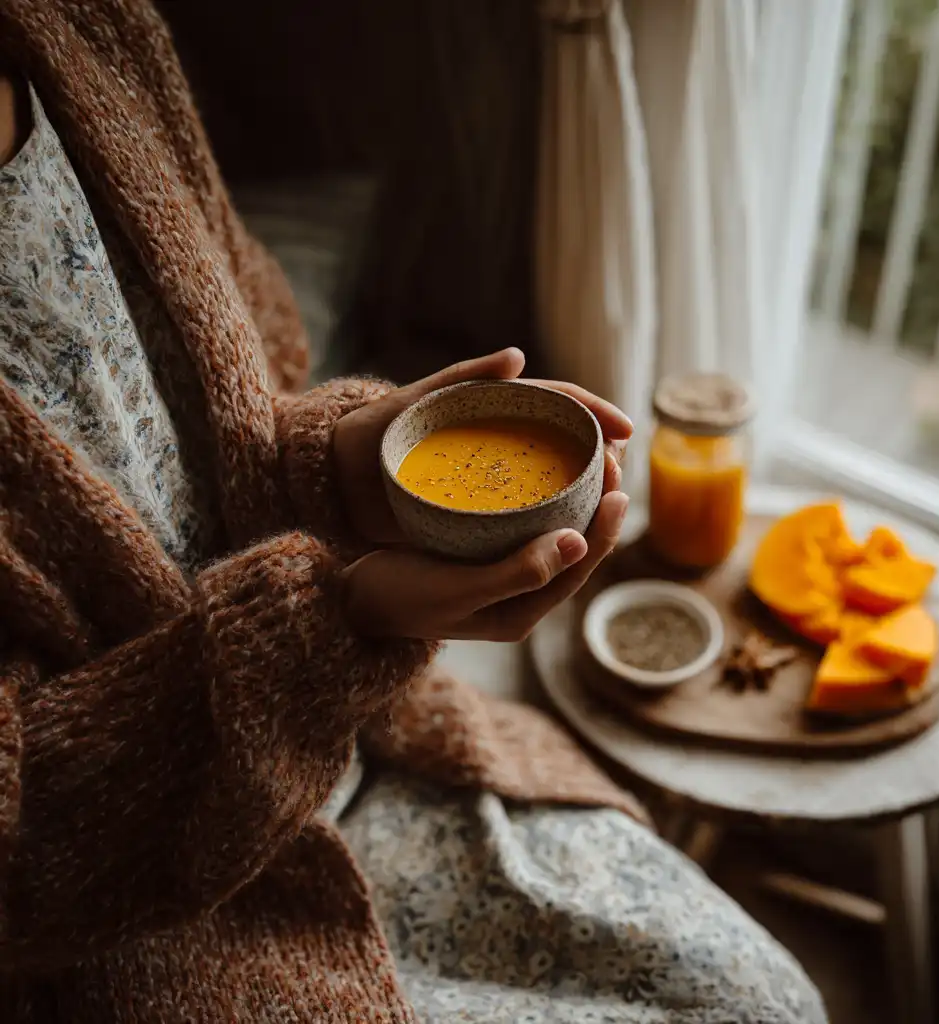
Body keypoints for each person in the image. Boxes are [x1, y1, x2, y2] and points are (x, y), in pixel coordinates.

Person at [0, 2, 826, 1021]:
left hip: (370, 742)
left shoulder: (83, 29)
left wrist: (344, 463)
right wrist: (340, 624)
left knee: (766, 996)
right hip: (139, 932)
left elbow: (247, 383)